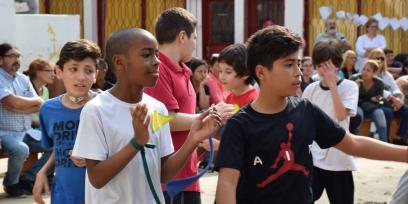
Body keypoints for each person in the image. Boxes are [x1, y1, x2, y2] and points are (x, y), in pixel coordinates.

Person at [215, 25, 408, 204]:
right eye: (289, 64)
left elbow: (353, 143)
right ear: (261, 72)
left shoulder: (305, 110)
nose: (298, 72)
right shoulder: (240, 125)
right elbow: (227, 184)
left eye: (298, 63)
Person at [71, 27, 222, 204]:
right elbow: (96, 178)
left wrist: (193, 140)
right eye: (146, 55)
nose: (157, 62)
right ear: (119, 62)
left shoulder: (157, 108)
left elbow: (163, 174)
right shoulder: (96, 110)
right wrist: (136, 143)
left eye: (156, 54)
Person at [143, 7, 232, 203]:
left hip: (187, 174)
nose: (195, 44)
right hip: (170, 179)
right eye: (195, 38)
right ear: (182, 37)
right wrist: (210, 114)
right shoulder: (160, 70)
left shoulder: (183, 70)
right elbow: (165, 119)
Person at [32, 39, 101, 204]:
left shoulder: (105, 106)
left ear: (96, 74)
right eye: (73, 69)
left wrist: (94, 159)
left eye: (88, 70)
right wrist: (43, 171)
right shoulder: (48, 109)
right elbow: (60, 147)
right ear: (58, 71)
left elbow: (121, 148)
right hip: (63, 194)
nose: (81, 77)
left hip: (99, 195)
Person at [302, 39, 359, 204]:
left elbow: (341, 116)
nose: (323, 70)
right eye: (319, 66)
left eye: (327, 65)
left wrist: (333, 86)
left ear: (337, 65)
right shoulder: (311, 89)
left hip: (339, 158)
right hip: (314, 158)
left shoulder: (349, 87)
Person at [0, 43, 43, 197]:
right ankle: (11, 184)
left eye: (18, 56)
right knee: (20, 149)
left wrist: (17, 106)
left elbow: (39, 103)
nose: (16, 59)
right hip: (5, 133)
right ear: (0, 59)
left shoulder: (23, 79)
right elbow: (11, 103)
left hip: (27, 131)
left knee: (58, 143)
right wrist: (17, 105)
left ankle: (29, 178)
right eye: (12, 56)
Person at [19, 58, 55, 194]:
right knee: (55, 147)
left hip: (38, 131)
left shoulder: (44, 90)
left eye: (53, 71)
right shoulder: (25, 88)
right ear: (38, 72)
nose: (53, 74)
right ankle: (29, 177)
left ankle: (44, 177)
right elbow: (23, 114)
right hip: (25, 132)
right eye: (49, 71)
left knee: (60, 142)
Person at [368, 48, 408, 140]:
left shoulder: (386, 75)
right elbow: (376, 90)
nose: (379, 61)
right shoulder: (368, 73)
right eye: (376, 58)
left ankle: (399, 137)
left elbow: (396, 89)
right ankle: (385, 140)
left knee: (406, 110)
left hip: (390, 103)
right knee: (388, 112)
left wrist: (398, 98)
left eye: (382, 58)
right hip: (375, 103)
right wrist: (392, 97)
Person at [351, 60, 388, 142]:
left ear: (374, 73)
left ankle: (384, 144)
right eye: (363, 69)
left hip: (372, 107)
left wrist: (377, 99)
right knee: (358, 115)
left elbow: (381, 102)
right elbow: (349, 99)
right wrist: (355, 88)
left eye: (368, 70)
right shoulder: (354, 79)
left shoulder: (379, 83)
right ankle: (354, 143)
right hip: (358, 105)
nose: (364, 72)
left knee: (380, 116)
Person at [218, 43, 258, 108]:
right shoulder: (229, 97)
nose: (222, 77)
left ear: (245, 74)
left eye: (228, 72)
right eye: (220, 71)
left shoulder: (252, 101)